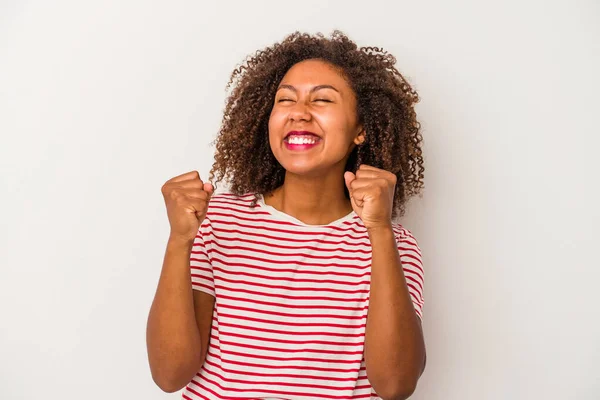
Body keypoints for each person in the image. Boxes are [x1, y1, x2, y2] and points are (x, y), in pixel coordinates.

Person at [146, 30, 426, 400]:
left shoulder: (392, 243)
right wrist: (179, 241)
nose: (299, 113)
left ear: (361, 129)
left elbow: (395, 385)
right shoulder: (218, 222)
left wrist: (379, 231)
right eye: (285, 100)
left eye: (323, 99)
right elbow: (169, 375)